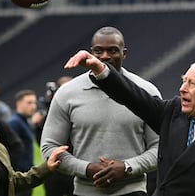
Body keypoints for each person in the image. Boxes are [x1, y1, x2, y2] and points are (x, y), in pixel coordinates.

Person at [64, 50, 195, 196]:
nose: (182, 88)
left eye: (192, 83)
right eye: (184, 80)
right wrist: (100, 69)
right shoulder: (172, 113)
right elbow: (133, 96)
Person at [41, 27, 160, 196]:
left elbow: (161, 147)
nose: (105, 56)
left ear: (124, 53)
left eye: (112, 50)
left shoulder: (146, 91)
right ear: (91, 53)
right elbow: (49, 148)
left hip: (132, 191)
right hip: (85, 192)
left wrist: (127, 167)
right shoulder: (67, 93)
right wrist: (87, 168)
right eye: (99, 51)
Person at [8, 89, 37, 196]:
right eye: (29, 103)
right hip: (19, 177)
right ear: (19, 104)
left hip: (25, 176)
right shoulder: (14, 123)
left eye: (34, 102)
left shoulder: (24, 121)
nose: (33, 106)